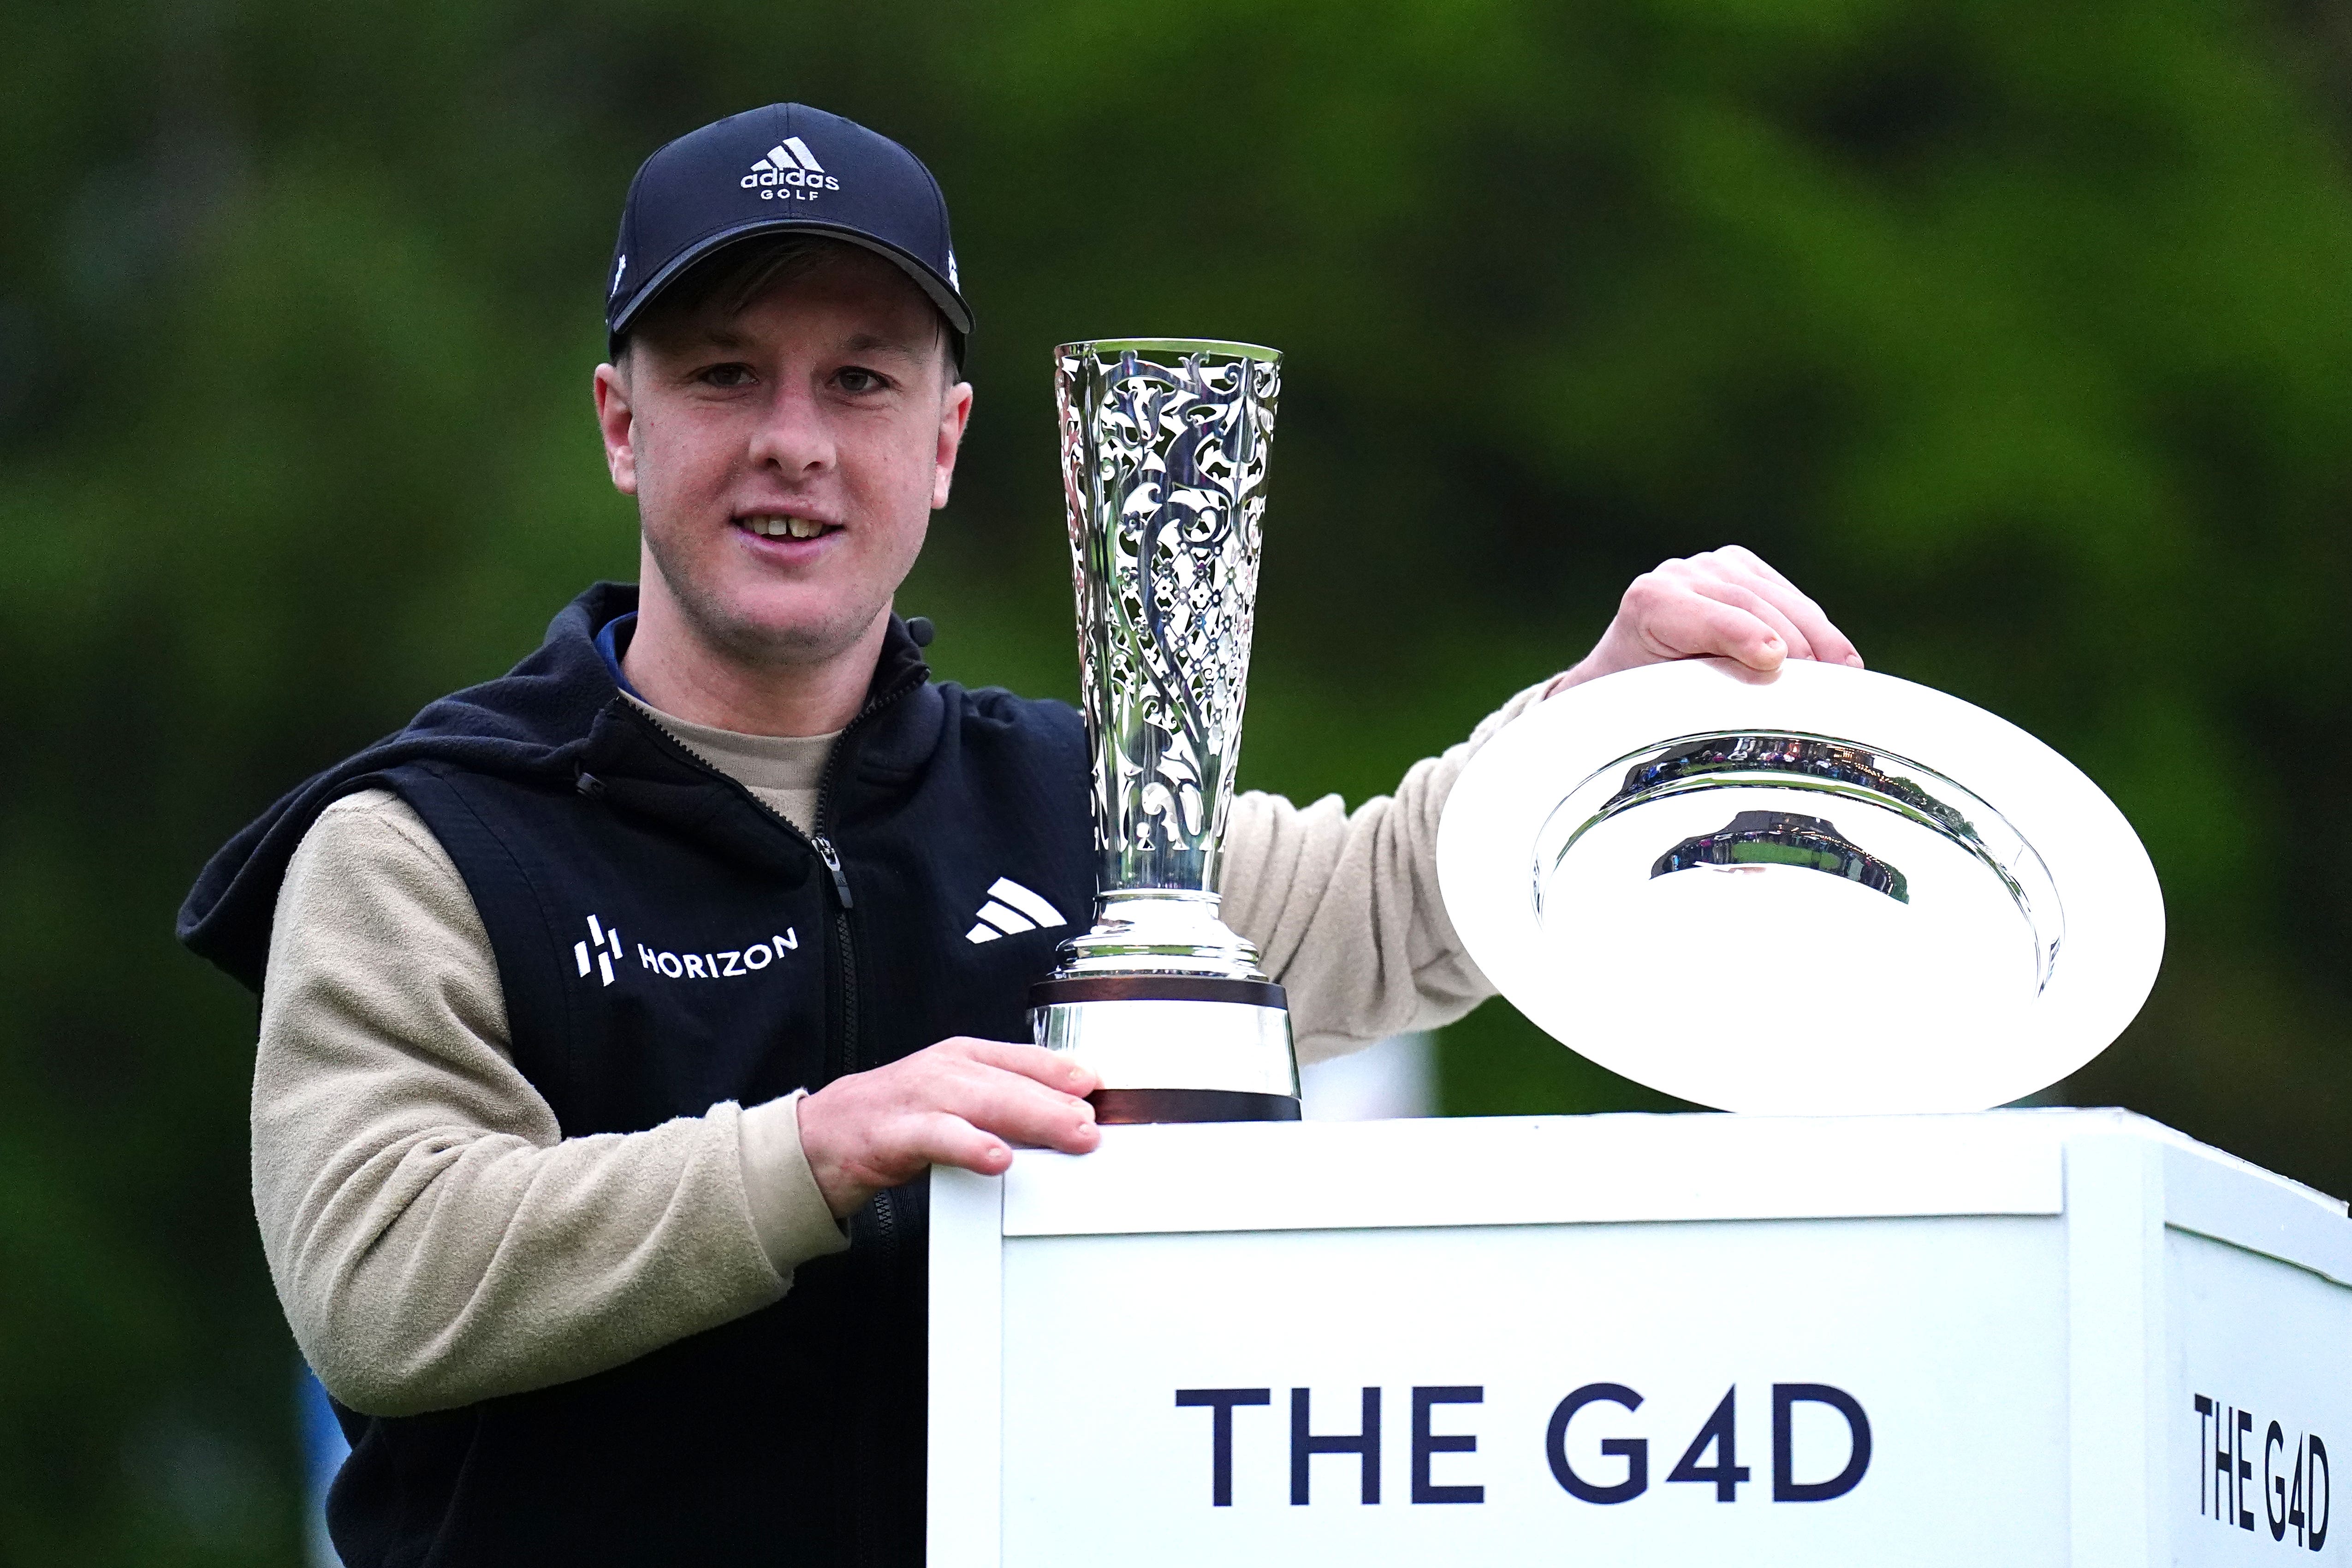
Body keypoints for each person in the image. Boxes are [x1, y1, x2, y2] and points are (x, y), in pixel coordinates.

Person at [178, 103, 1862, 1566]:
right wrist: (818, 1150)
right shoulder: (430, 844)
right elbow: (381, 1276)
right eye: (721, 376)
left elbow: (1401, 903)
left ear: (946, 441)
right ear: (623, 423)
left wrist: (1604, 714)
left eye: (858, 381)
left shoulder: (1083, 805)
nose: (793, 443)